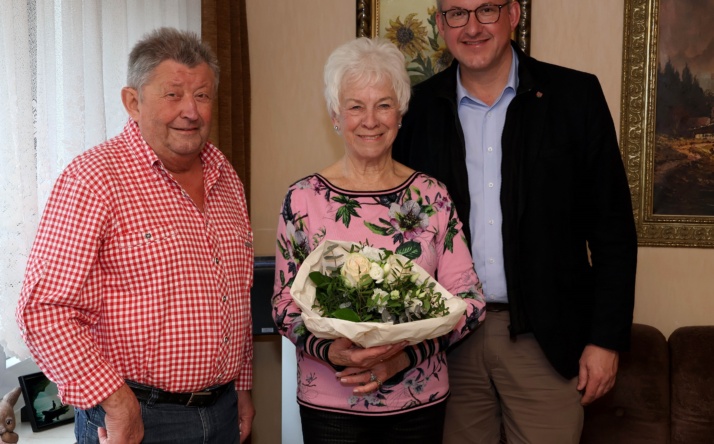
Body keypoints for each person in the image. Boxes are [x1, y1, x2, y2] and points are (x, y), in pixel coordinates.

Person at [392, 1, 639, 443]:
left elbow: (612, 230)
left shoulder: (574, 97)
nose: (471, 27)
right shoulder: (418, 110)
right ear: (439, 23)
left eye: (485, 9)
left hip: (544, 341)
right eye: (456, 13)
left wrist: (605, 340)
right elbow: (399, 230)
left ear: (513, 13)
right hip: (447, 344)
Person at [16, 27, 255, 444]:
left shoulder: (226, 176)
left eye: (201, 95)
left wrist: (243, 387)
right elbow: (43, 309)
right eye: (173, 94)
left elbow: (236, 292)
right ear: (133, 101)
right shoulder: (94, 179)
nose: (191, 111)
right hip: (136, 419)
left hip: (222, 412)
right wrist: (118, 403)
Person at [272, 37, 486, 444]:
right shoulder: (302, 200)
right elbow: (284, 306)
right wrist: (331, 351)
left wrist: (403, 357)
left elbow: (470, 301)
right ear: (335, 115)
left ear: (401, 113)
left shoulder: (432, 196)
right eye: (355, 106)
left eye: (383, 104)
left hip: (418, 401)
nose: (370, 119)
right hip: (330, 403)